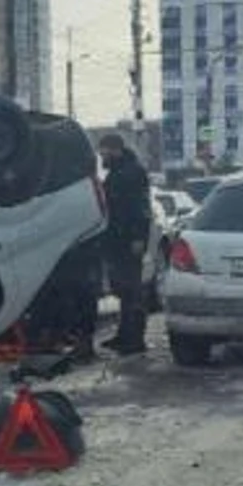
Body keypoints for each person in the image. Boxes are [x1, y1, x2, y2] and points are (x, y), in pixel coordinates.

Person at [96, 133, 153, 355]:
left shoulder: (132, 173)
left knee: (131, 291)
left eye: (104, 151)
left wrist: (139, 237)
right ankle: (124, 335)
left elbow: (140, 207)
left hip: (128, 241)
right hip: (117, 241)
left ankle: (135, 340)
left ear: (115, 149)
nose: (102, 156)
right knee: (122, 289)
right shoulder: (117, 172)